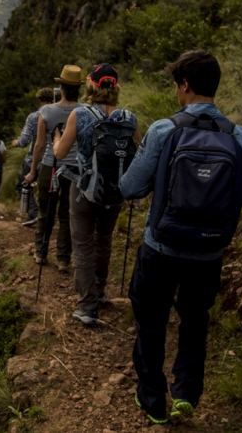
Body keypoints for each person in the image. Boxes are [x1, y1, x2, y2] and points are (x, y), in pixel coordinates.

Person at [119, 50, 242, 424]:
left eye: (176, 86)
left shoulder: (162, 130)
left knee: (151, 317)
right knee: (194, 318)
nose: (175, 93)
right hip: (208, 251)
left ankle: (152, 398)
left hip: (161, 247)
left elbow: (130, 187)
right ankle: (186, 392)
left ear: (185, 86)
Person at [52, 63, 141, 325]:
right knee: (104, 240)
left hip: (84, 191)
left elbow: (59, 154)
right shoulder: (129, 118)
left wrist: (57, 140)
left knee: (82, 244)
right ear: (116, 88)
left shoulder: (80, 115)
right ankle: (100, 292)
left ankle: (87, 306)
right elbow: (140, 154)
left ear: (90, 85)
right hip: (116, 191)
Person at [24, 65, 84, 273]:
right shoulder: (84, 111)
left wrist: (33, 170)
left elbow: (39, 145)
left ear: (60, 86)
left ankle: (41, 252)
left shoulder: (46, 111)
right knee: (67, 213)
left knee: (45, 211)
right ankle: (63, 258)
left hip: (51, 166)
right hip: (74, 168)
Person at [14, 87, 54, 226]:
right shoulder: (59, 115)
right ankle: (47, 217)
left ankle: (34, 212)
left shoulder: (34, 117)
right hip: (53, 160)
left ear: (39, 99)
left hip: (34, 160)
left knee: (22, 184)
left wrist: (16, 142)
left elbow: (24, 141)